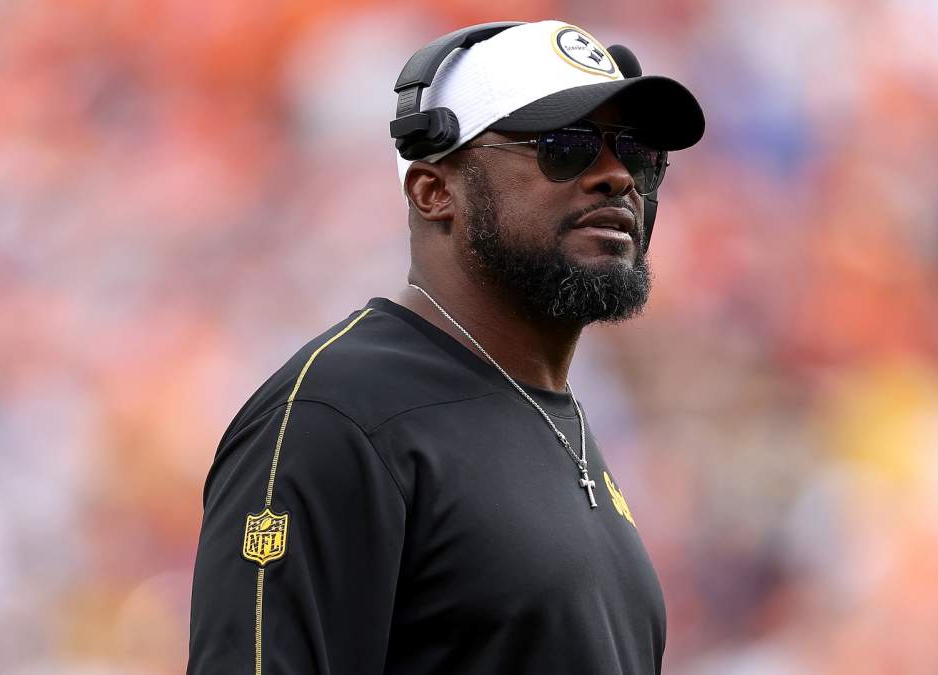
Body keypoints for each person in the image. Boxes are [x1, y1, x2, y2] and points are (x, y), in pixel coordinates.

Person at [187, 19, 704, 675]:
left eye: (636, 153)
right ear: (434, 191)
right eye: (564, 146)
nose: (617, 177)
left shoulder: (550, 413)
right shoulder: (339, 413)